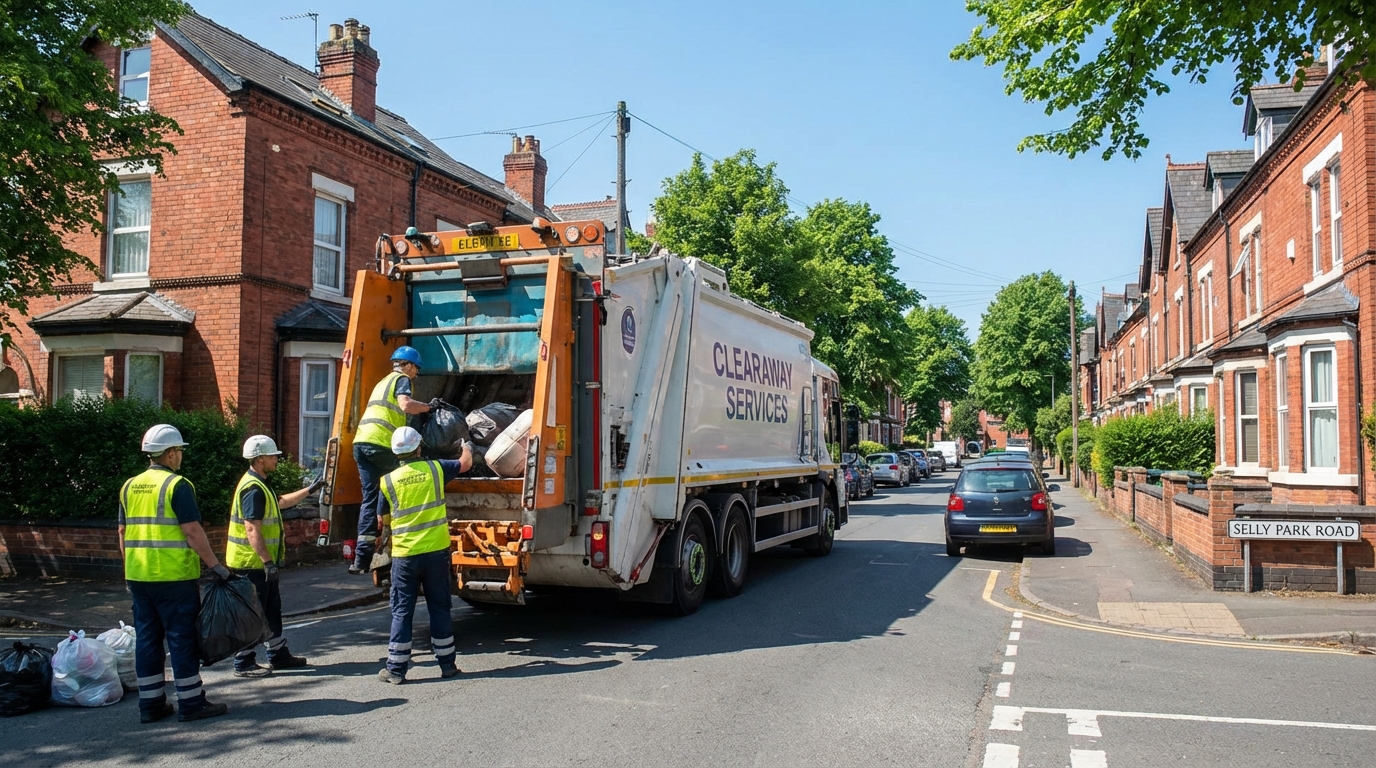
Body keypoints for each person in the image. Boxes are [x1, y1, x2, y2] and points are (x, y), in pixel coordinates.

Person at [119, 424, 230, 723]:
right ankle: (192, 703)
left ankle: (151, 705)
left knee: (147, 640)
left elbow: (122, 531)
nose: (180, 456)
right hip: (174, 578)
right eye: (179, 450)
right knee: (181, 639)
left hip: (139, 577)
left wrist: (128, 569)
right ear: (170, 454)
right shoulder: (178, 485)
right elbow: (192, 531)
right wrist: (216, 566)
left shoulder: (129, 486)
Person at [377, 426, 471, 684]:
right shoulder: (435, 469)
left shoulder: (387, 481)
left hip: (405, 556)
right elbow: (464, 464)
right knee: (439, 607)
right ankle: (448, 665)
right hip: (436, 552)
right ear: (419, 448)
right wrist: (467, 446)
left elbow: (382, 520)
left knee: (402, 611)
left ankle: (396, 670)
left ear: (397, 454)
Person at [226, 435, 326, 678]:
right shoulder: (252, 488)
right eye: (273, 456)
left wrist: (310, 490)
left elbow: (279, 503)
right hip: (251, 564)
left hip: (258, 563)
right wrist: (267, 561)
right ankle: (244, 661)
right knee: (254, 613)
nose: (276, 460)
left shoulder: (260, 483)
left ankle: (278, 655)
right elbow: (252, 528)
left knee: (272, 609)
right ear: (260, 459)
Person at [350, 345, 432, 574]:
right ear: (408, 365)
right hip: (381, 444)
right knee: (403, 482)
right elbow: (405, 405)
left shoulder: (381, 382)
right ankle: (395, 542)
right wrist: (428, 408)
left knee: (370, 496)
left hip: (361, 443)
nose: (416, 373)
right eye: (416, 368)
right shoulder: (402, 379)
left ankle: (361, 559)